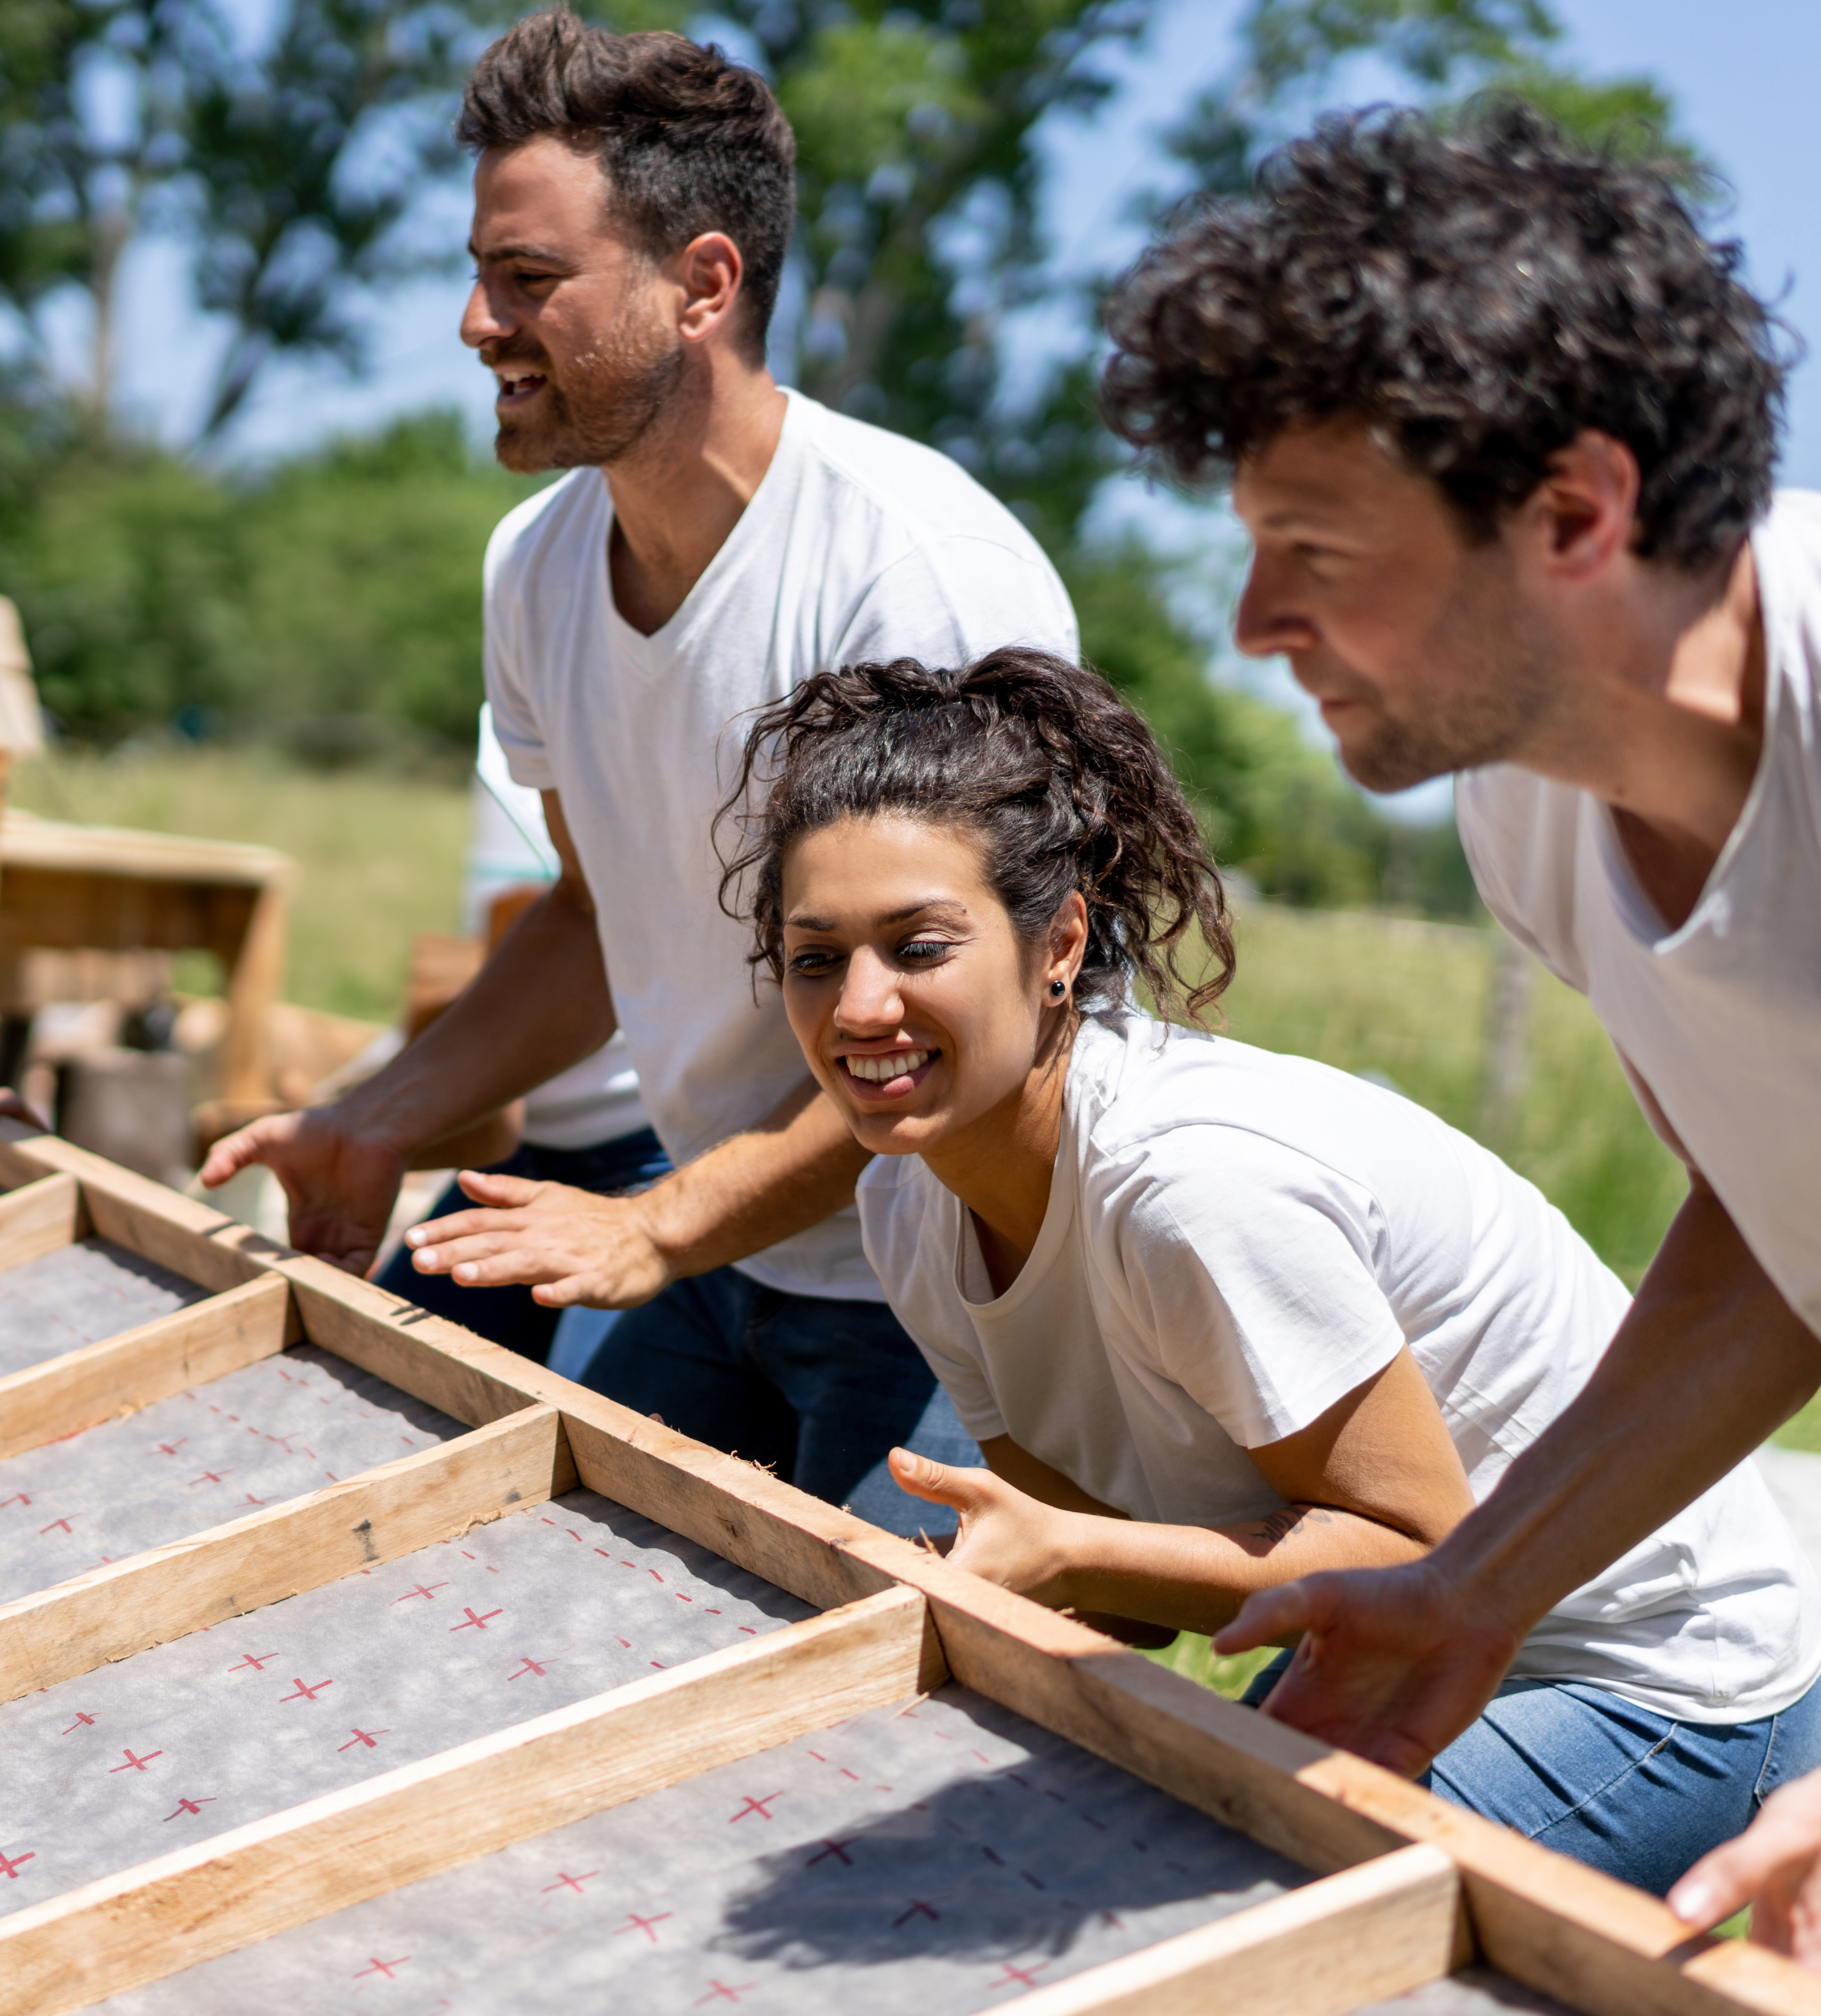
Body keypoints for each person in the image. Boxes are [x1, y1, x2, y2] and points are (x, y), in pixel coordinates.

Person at [728, 644, 1821, 1894]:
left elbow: (1413, 1549)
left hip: (1648, 1670)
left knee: (1237, 1920)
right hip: (1393, 1642)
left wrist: (1063, 1560)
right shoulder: (906, 1208)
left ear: (1056, 945)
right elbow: (1109, 1580)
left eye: (916, 945)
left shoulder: (1186, 1187)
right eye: (814, 957)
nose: (857, 1005)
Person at [1093, 105, 1821, 1934]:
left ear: (1578, 510)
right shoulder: (1534, 799)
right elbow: (1779, 1230)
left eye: (1318, 553)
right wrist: (1482, 1584)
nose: (1258, 621)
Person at [199, 8, 1076, 1516]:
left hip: (951, 1280)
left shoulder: (909, 582)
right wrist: (375, 1121)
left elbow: (970, 1029)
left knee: (864, 1730)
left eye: (528, 281)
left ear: (703, 286)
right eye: (481, 276)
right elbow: (598, 917)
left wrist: (661, 1225)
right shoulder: (535, 568)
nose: (478, 326)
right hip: (726, 1250)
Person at [370, 704, 671, 1364]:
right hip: (528, 1151)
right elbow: (565, 916)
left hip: (661, 1150)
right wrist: (368, 1122)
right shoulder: (532, 644)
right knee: (390, 1357)